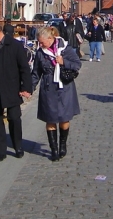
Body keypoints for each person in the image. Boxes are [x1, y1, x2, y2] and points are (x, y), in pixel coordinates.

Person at [0, 20, 32, 161]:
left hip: (11, 87)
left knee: (14, 118)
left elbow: (24, 69)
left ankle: (18, 146)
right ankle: (0, 150)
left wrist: (26, 88)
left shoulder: (14, 46)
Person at [32, 26, 81, 161]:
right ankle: (53, 149)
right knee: (50, 118)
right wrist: (29, 88)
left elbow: (77, 64)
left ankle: (62, 145)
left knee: (64, 118)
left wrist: (64, 62)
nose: (40, 45)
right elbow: (36, 73)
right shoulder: (40, 53)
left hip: (65, 87)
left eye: (42, 42)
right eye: (39, 43)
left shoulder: (65, 48)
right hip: (48, 88)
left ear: (50, 38)